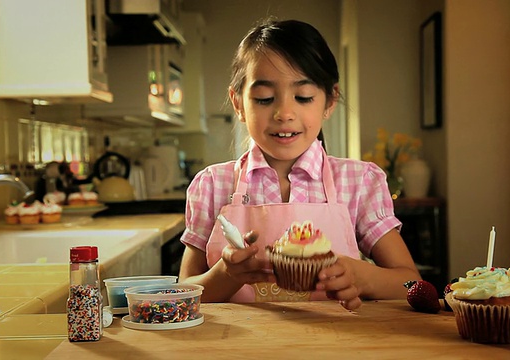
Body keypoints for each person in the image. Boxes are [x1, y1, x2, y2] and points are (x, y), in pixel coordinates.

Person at [178, 18, 421, 310]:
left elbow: (411, 284)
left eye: (303, 97)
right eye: (265, 99)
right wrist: (226, 274)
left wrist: (363, 277)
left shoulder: (359, 182)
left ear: (330, 101)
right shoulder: (212, 185)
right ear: (238, 103)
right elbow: (184, 294)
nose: (284, 113)